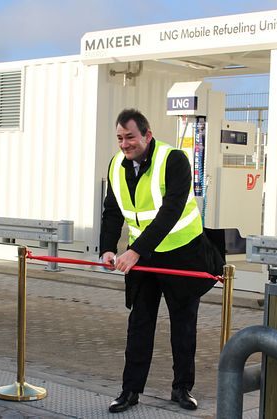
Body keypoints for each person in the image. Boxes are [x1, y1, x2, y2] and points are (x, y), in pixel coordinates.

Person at [99, 108, 224, 413]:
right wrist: (106, 249)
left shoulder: (174, 160)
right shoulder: (117, 164)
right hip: (142, 257)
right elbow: (112, 212)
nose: (125, 144)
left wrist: (135, 250)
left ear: (147, 134)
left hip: (181, 254)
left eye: (130, 137)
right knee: (139, 325)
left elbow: (170, 211)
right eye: (120, 138)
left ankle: (182, 389)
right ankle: (130, 391)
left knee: (183, 327)